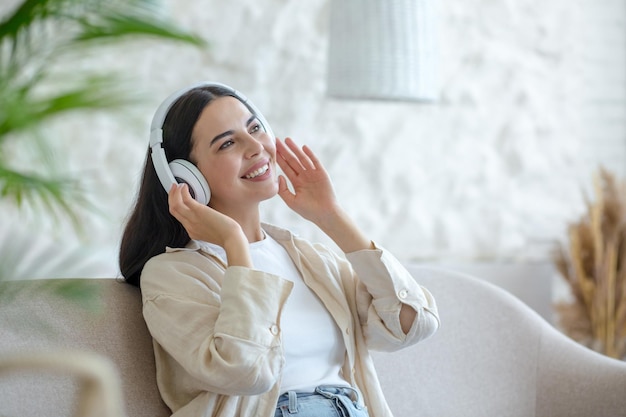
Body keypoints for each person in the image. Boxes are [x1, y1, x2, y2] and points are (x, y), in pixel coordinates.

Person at [119, 82, 440, 417]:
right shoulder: (173, 274)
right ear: (185, 177)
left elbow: (410, 325)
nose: (256, 146)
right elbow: (244, 371)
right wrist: (233, 244)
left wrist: (331, 217)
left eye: (255, 128)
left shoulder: (308, 259)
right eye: (227, 143)